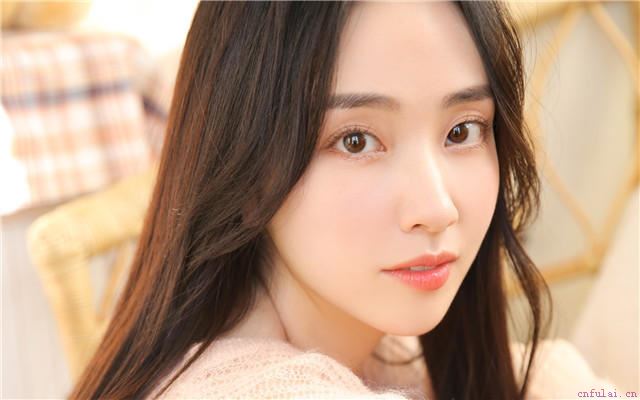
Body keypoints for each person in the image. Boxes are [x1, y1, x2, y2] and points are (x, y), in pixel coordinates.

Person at [69, 2, 616, 399]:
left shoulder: (381, 354)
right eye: (356, 141)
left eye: (462, 130)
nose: (436, 207)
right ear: (248, 168)